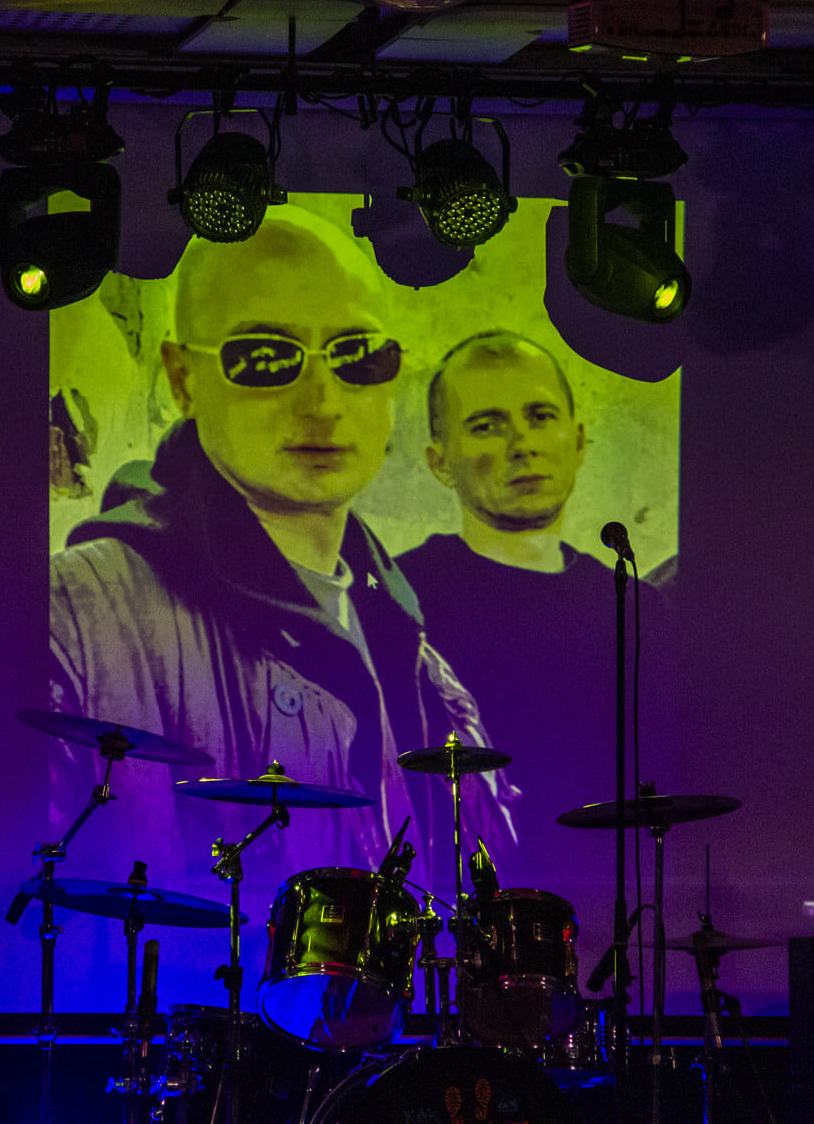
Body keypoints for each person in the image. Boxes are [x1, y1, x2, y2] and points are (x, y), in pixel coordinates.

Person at [49, 208, 514, 907]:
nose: (322, 402)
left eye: (358, 355)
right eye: (267, 357)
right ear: (182, 378)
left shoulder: (410, 649)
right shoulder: (82, 614)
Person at [397, 330, 670, 888]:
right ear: (438, 461)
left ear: (579, 440)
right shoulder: (400, 599)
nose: (522, 443)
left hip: (603, 893)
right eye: (487, 425)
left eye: (541, 416)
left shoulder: (639, 606)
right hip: (451, 898)